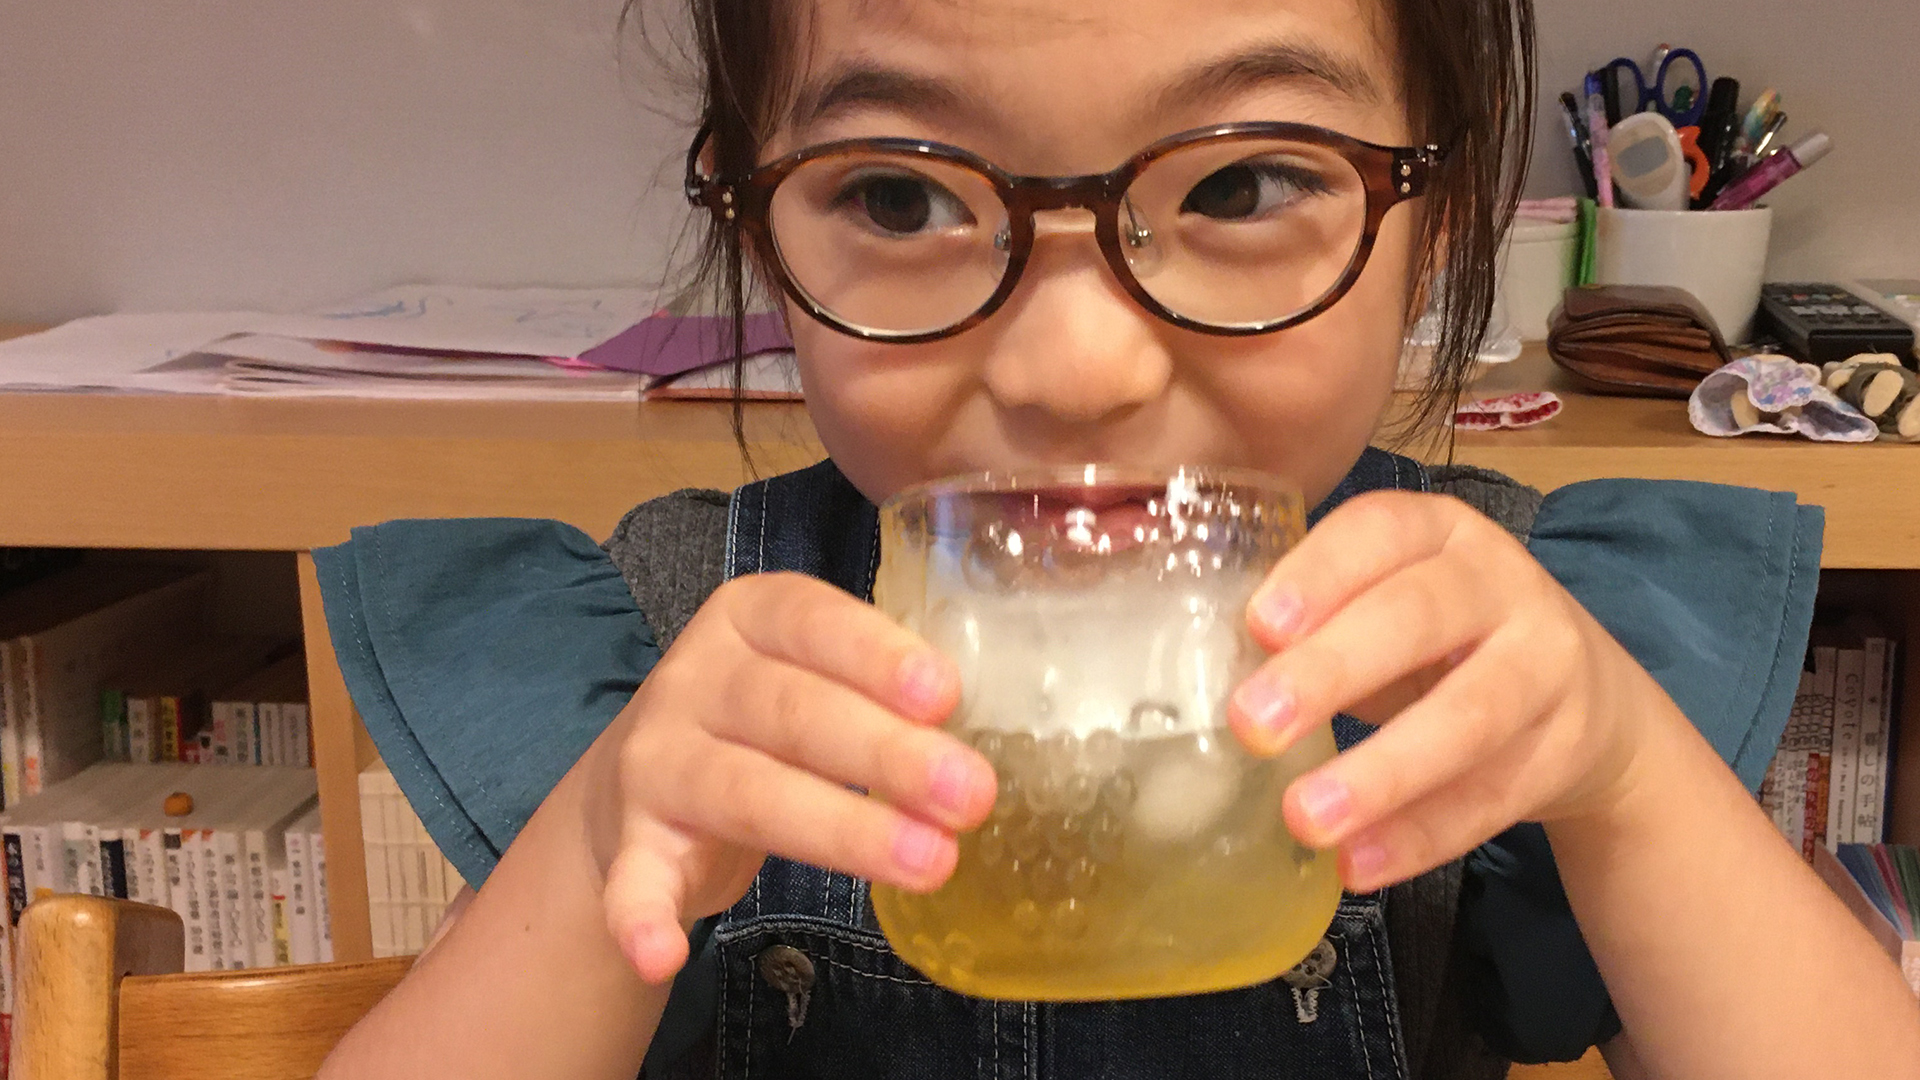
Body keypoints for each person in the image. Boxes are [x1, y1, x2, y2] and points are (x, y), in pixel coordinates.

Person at [311, 0, 1920, 1077]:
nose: (1076, 368)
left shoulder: (1489, 659)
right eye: (898, 198)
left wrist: (1624, 778)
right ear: (751, 218)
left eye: (1247, 185)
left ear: (1436, 221)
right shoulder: (675, 655)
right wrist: (603, 851)